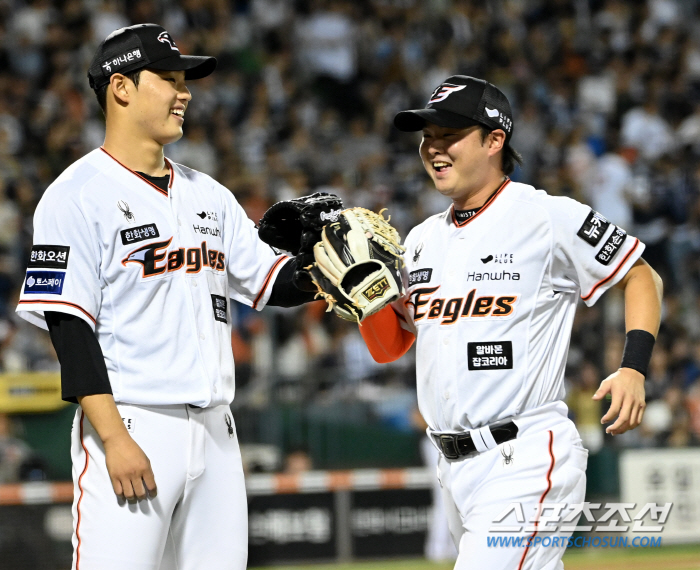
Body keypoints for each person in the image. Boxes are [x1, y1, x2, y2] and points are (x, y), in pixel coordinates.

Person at [15, 24, 317, 570]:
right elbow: (69, 329)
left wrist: (327, 268)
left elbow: (273, 282)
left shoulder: (209, 193)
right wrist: (112, 438)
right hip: (134, 423)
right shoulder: (76, 194)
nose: (186, 93)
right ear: (121, 88)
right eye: (169, 78)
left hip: (218, 432)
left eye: (186, 80)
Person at [357, 76, 663, 569]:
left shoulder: (546, 217)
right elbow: (390, 346)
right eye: (426, 135)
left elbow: (641, 275)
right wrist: (363, 298)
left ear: (494, 140)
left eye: (449, 133)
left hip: (524, 456)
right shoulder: (418, 240)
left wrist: (633, 367)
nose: (433, 147)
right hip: (452, 467)